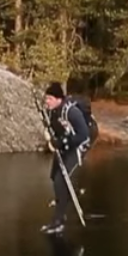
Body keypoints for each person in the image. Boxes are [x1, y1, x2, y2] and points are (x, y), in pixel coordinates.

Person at [41, 82, 90, 234]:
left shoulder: (71, 112)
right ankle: (69, 195)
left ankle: (58, 220)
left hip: (77, 148)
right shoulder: (51, 111)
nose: (46, 102)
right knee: (54, 178)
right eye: (46, 98)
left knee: (62, 182)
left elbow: (84, 135)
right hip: (65, 148)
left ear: (58, 99)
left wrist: (62, 141)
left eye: (49, 98)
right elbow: (56, 130)